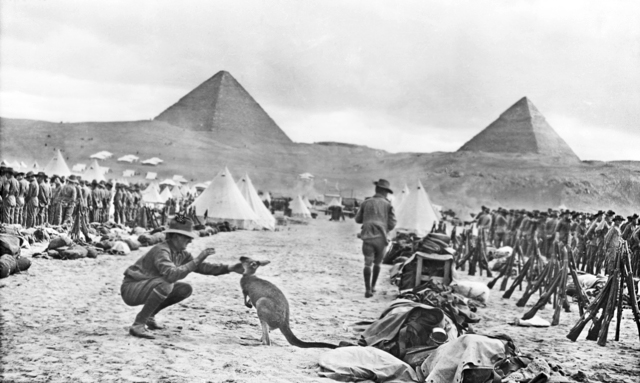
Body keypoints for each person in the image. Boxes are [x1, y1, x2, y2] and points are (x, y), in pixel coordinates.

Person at [120, 213, 244, 339]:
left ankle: (149, 316)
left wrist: (230, 268)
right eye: (186, 237)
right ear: (175, 236)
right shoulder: (161, 250)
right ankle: (138, 324)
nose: (190, 240)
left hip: (144, 286)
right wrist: (198, 259)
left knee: (184, 289)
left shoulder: (180, 253)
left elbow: (203, 267)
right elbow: (171, 275)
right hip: (131, 288)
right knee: (167, 284)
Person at [354, 179, 396, 298]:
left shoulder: (366, 202)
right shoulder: (388, 205)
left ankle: (367, 290)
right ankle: (373, 286)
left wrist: (369, 219)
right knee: (378, 263)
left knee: (367, 263)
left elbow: (357, 220)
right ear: (384, 192)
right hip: (381, 238)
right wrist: (383, 225)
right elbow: (393, 223)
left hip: (367, 236)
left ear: (376, 189)